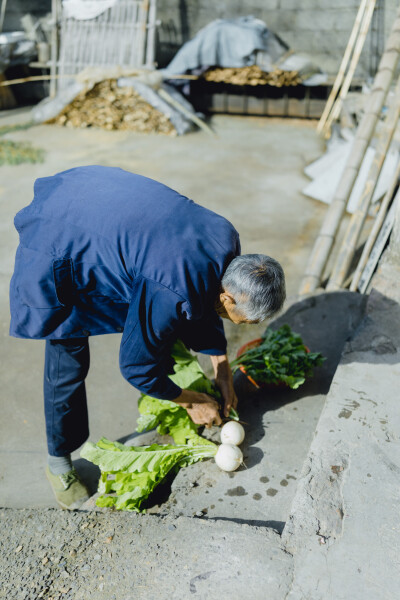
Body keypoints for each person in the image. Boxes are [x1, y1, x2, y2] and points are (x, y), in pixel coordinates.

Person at [9, 166, 286, 509]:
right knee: (68, 352)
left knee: (162, 310)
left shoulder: (226, 240)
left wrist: (222, 366)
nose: (242, 325)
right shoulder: (173, 282)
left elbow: (202, 295)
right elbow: (136, 367)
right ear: (230, 297)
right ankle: (59, 464)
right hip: (59, 232)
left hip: (96, 196)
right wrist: (189, 400)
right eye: (243, 320)